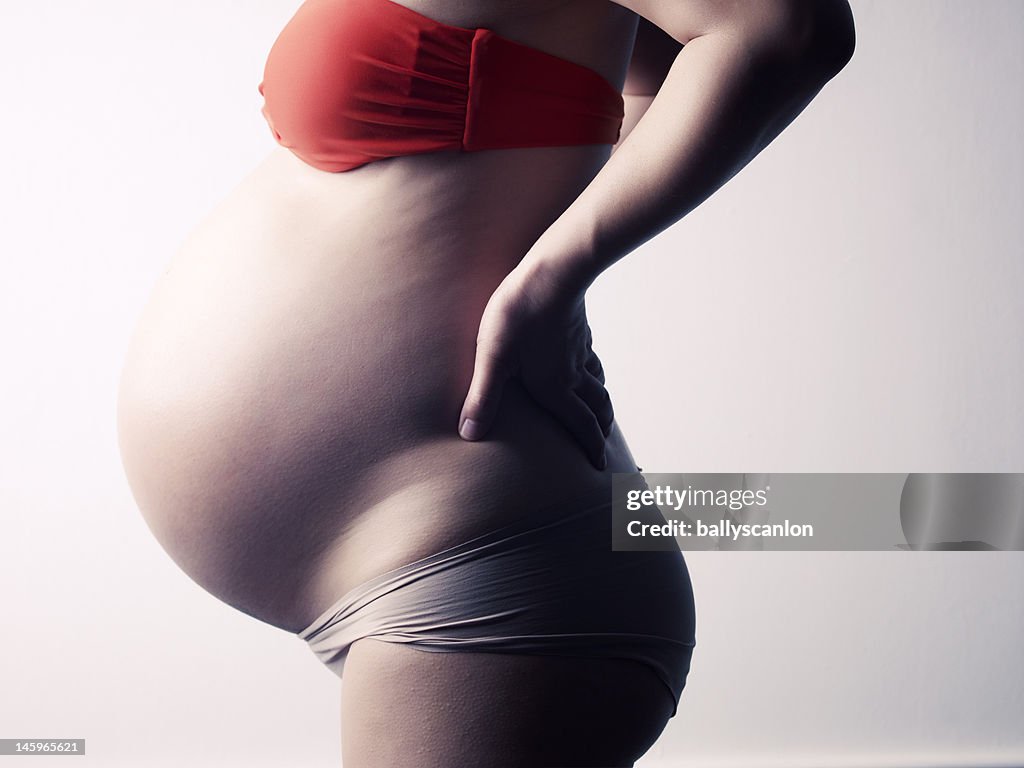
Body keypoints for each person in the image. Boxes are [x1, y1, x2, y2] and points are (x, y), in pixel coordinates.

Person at [116, 1, 854, 765]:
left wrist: (557, 272)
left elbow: (792, 28)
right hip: (432, 557)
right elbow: (659, 80)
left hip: (493, 566)